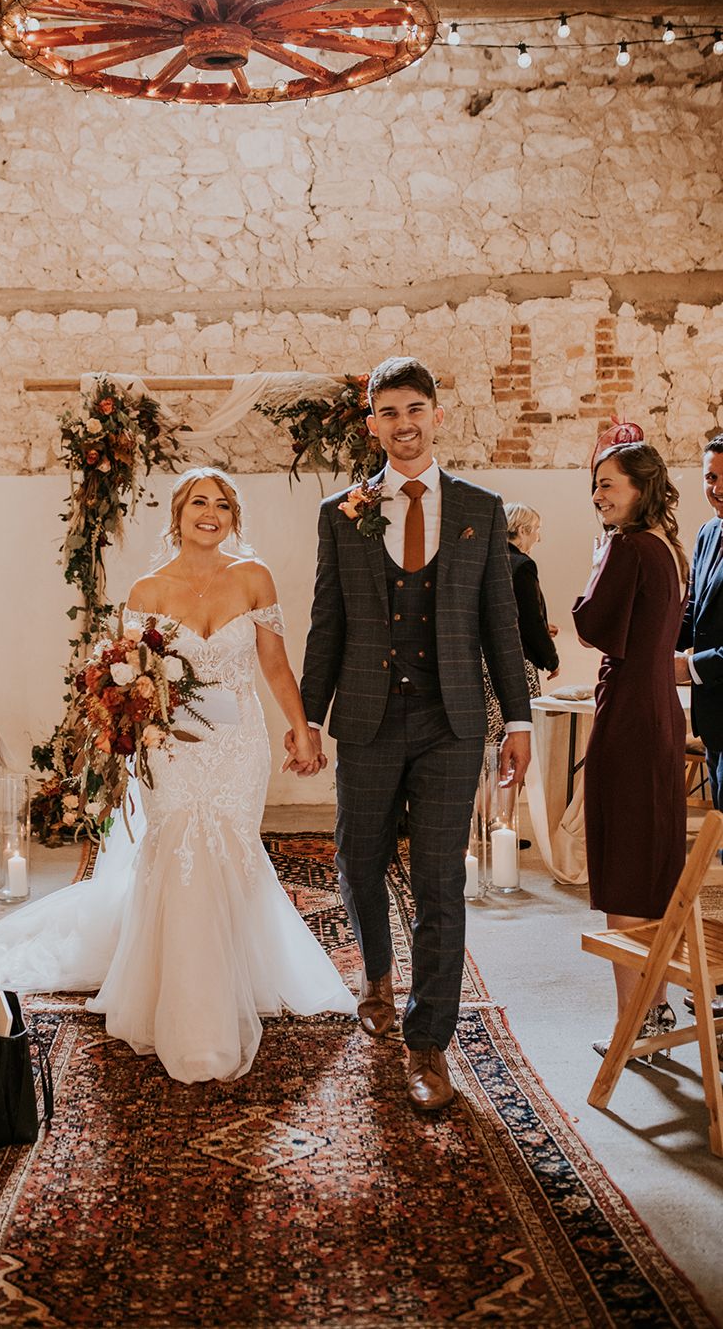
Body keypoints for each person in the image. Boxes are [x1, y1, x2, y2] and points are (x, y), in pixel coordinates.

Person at [0, 469, 356, 1083]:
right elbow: (128, 679)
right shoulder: (147, 589)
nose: (210, 513)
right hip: (171, 748)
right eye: (199, 503)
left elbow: (274, 663)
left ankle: (239, 974)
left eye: (222, 505)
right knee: (182, 848)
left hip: (238, 744)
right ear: (178, 514)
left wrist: (301, 727)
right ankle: (191, 1007)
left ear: (233, 518)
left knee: (232, 847)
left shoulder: (254, 577)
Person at [293, 357, 532, 1112]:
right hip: (367, 718)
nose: (404, 424)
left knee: (439, 882)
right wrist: (307, 717)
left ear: (436, 415)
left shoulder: (481, 508)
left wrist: (517, 718)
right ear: (372, 425)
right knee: (358, 860)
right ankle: (376, 976)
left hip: (450, 722)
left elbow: (501, 622)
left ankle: (428, 1044)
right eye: (389, 412)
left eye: (415, 409)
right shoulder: (342, 512)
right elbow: (327, 621)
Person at [573, 442, 688, 1058]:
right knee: (654, 864)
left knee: (623, 866)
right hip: (662, 712)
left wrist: (596, 564)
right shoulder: (668, 547)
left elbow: (592, 625)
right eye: (596, 485)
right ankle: (657, 1008)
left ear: (641, 488)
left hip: (628, 718)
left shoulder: (625, 546)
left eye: (609, 485)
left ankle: (635, 1020)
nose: (598, 495)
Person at [675, 433, 723, 1019]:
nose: (716, 488)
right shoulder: (709, 533)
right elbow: (691, 612)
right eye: (710, 477)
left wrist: (689, 667)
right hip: (716, 717)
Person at [483, 502, 560, 743]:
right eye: (536, 530)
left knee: (488, 740)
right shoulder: (522, 565)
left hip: (482, 663)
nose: (539, 537)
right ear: (523, 530)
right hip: (514, 663)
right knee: (513, 737)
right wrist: (551, 659)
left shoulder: (486, 560)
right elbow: (530, 620)